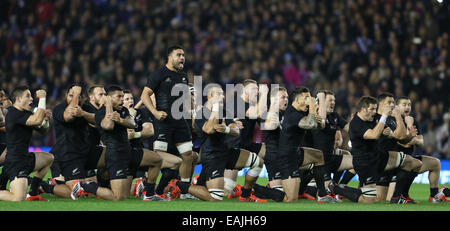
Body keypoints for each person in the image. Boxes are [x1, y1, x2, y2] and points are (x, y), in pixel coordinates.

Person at [168, 86, 267, 202]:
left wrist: (226, 129)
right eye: (218, 94)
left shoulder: (224, 112)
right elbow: (209, 129)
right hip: (212, 157)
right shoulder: (202, 113)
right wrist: (215, 109)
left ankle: (245, 195)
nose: (223, 96)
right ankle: (180, 185)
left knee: (257, 162)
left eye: (223, 94)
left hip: (227, 152)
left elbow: (236, 130)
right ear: (209, 97)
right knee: (215, 198)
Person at [73, 86, 163, 201]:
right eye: (119, 96)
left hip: (128, 151)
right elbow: (108, 125)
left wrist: (120, 120)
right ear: (109, 98)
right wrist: (109, 105)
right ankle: (84, 186)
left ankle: (149, 194)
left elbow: (133, 124)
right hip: (116, 155)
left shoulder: (123, 110)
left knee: (157, 159)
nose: (122, 99)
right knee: (119, 197)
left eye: (122, 96)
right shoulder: (101, 112)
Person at [329, 96, 422, 204]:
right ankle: (336, 188)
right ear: (363, 109)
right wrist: (384, 118)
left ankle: (398, 197)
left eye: (375, 108)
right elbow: (373, 135)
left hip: (380, 156)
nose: (375, 112)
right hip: (365, 164)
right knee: (369, 200)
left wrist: (404, 126)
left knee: (413, 163)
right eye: (372, 109)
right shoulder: (356, 123)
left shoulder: (376, 118)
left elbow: (400, 137)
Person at [140, 45, 195, 198]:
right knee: (159, 157)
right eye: (179, 55)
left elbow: (183, 101)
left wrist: (190, 115)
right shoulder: (159, 73)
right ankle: (149, 188)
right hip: (163, 122)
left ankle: (183, 191)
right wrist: (155, 112)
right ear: (170, 57)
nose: (182, 58)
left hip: (180, 121)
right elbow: (145, 95)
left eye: (183, 55)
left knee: (188, 154)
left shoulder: (183, 76)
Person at [276, 86, 335, 203]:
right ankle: (259, 190)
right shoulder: (292, 114)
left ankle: (322, 195)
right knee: (291, 199)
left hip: (297, 152)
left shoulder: (303, 111)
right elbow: (310, 124)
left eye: (309, 97)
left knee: (318, 155)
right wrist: (313, 108)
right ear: (297, 100)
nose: (309, 100)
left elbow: (320, 126)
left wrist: (319, 120)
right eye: (306, 98)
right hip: (286, 158)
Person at [387, 96, 449, 203]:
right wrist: (410, 129)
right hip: (395, 164)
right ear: (397, 107)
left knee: (435, 163)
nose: (408, 107)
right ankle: (403, 195)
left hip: (410, 159)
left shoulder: (413, 120)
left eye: (409, 105)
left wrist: (412, 137)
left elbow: (421, 142)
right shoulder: (391, 121)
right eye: (404, 105)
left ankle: (434, 195)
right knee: (388, 198)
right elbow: (403, 142)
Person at [122, 90, 181, 199]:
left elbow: (149, 131)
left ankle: (155, 191)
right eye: (127, 99)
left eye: (131, 98)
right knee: (122, 195)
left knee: (176, 162)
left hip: (142, 155)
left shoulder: (142, 112)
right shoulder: (119, 115)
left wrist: (134, 134)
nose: (130, 100)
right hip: (124, 157)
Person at [0, 86, 54, 201]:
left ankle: (33, 193)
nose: (31, 99)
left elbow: (42, 130)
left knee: (48, 158)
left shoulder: (25, 114)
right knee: (18, 198)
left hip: (25, 157)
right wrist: (42, 98)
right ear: (18, 99)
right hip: (15, 161)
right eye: (27, 96)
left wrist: (46, 121)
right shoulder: (13, 113)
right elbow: (36, 120)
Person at [44, 85, 96, 200]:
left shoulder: (86, 108)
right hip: (66, 155)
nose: (75, 99)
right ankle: (44, 186)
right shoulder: (59, 108)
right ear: (66, 96)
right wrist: (77, 93)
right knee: (78, 193)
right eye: (71, 96)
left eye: (78, 96)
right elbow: (69, 116)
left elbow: (98, 121)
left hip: (84, 153)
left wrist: (83, 114)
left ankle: (59, 181)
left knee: (93, 191)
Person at [225, 79, 267, 197]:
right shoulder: (237, 103)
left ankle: (273, 182)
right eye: (254, 88)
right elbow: (254, 114)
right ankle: (198, 181)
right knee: (227, 190)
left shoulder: (253, 105)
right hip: (233, 148)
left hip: (247, 144)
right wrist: (264, 95)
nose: (257, 91)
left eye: (258, 89)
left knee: (272, 151)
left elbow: (265, 123)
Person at [310, 90, 354, 200]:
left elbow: (349, 129)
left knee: (358, 161)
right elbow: (321, 123)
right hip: (319, 162)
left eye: (334, 100)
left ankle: (340, 186)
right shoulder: (315, 115)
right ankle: (317, 189)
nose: (333, 102)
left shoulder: (335, 116)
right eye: (330, 100)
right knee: (324, 193)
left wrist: (357, 124)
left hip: (331, 158)